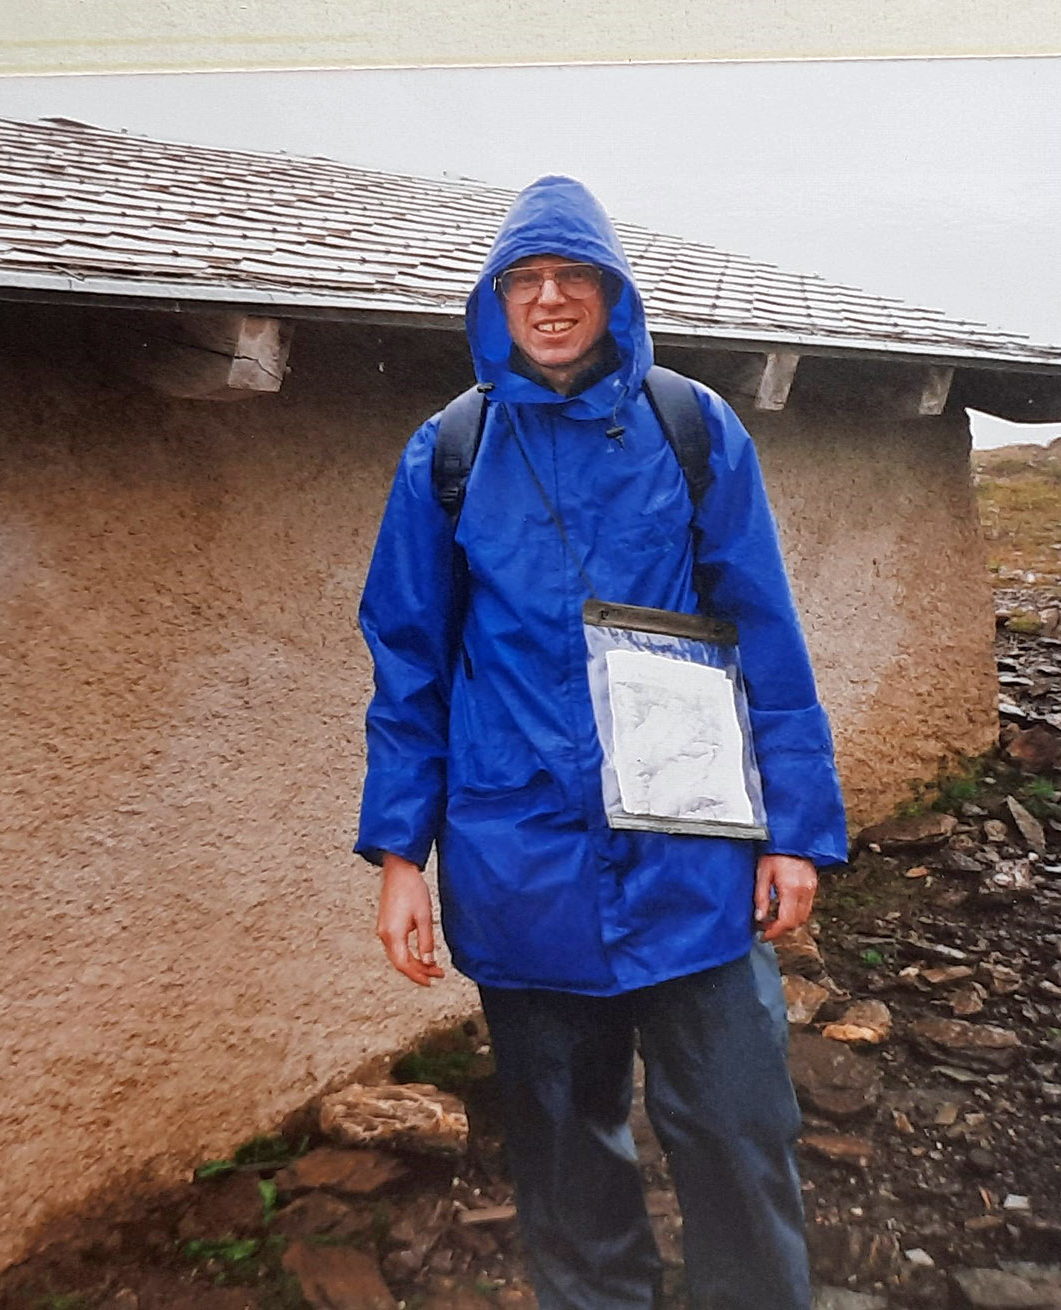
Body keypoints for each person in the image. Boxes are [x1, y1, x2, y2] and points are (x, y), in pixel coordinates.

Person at [354, 175, 849, 1310]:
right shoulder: (450, 450)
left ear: (612, 293)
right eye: (523, 281)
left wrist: (795, 836)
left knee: (736, 1127)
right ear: (494, 302)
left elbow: (765, 634)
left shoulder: (690, 428)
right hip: (518, 859)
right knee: (566, 1162)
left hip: (692, 855)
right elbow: (409, 661)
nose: (548, 300)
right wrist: (398, 857)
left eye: (572, 277)